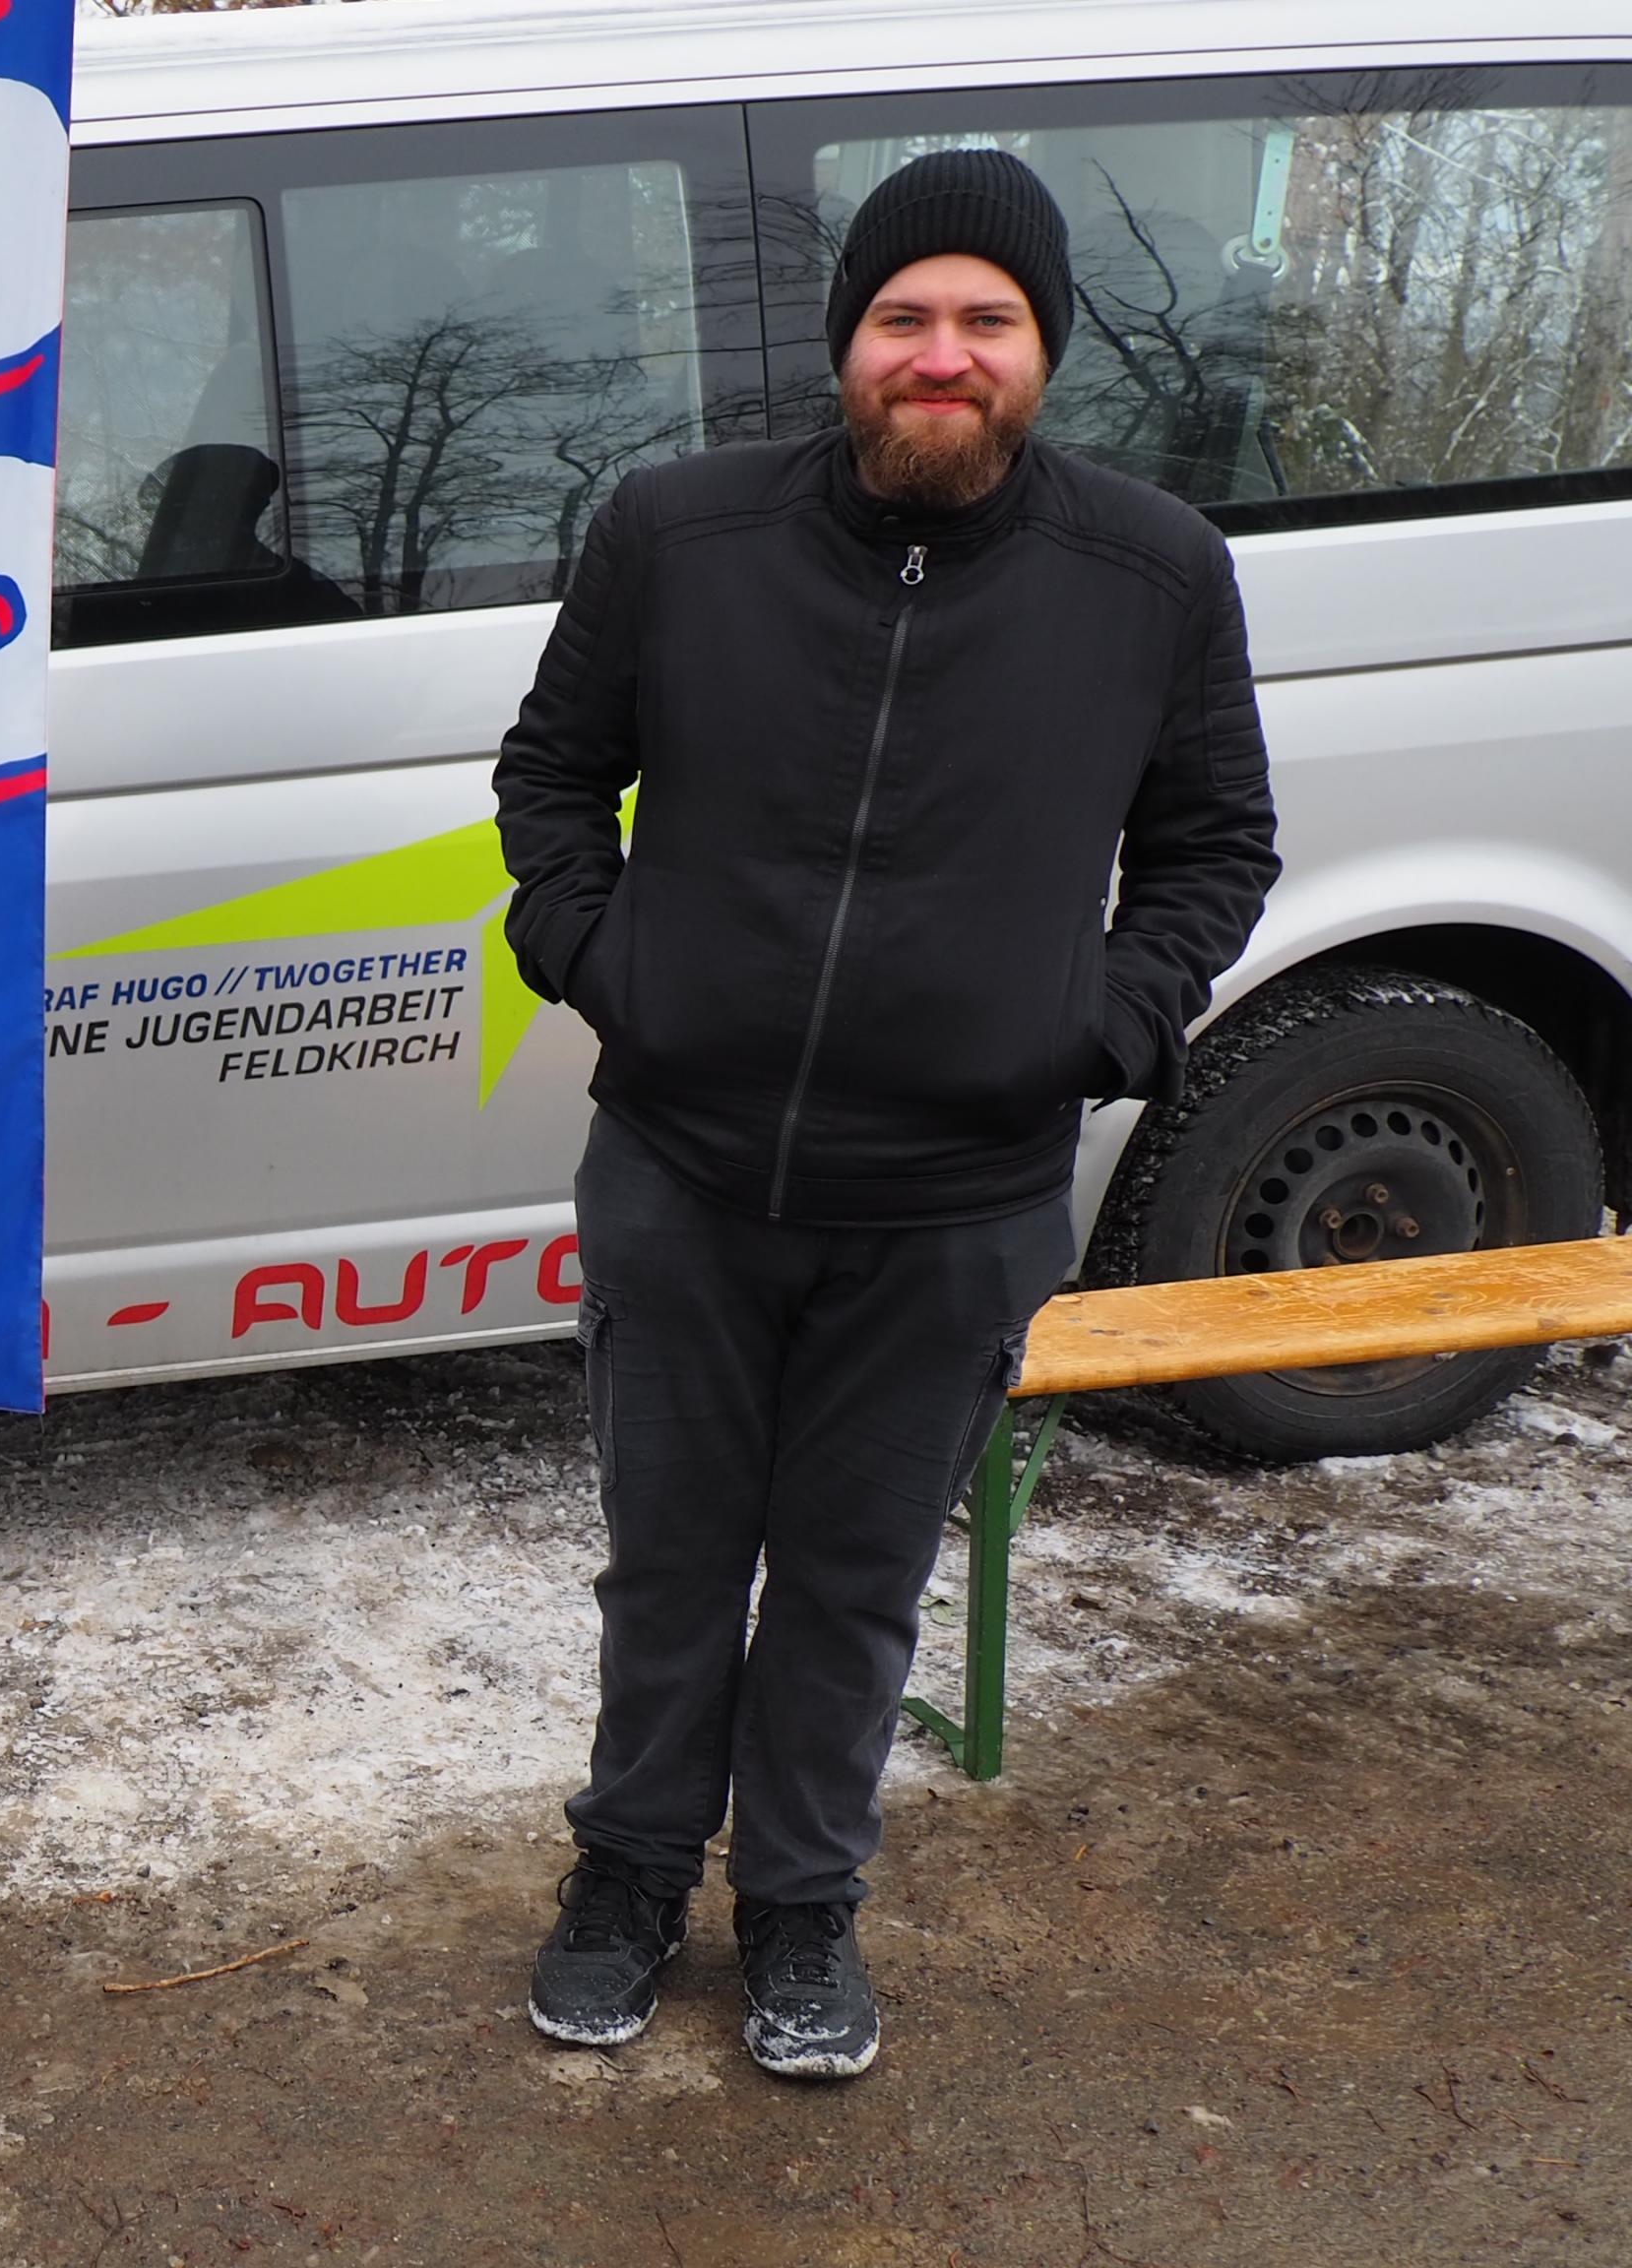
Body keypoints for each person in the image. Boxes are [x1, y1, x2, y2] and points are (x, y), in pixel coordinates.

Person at [490, 152, 1279, 2078]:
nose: (941, 354)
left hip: (956, 1204)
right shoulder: (676, 534)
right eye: (902, 316)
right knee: (669, 1572)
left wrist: (1094, 1024)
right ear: (847, 342)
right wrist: (608, 965)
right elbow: (550, 778)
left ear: (1041, 350)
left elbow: (1214, 847)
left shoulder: (1152, 574)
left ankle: (799, 1906)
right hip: (682, 1173)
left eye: (984, 320)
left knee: (850, 1587)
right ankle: (626, 1875)